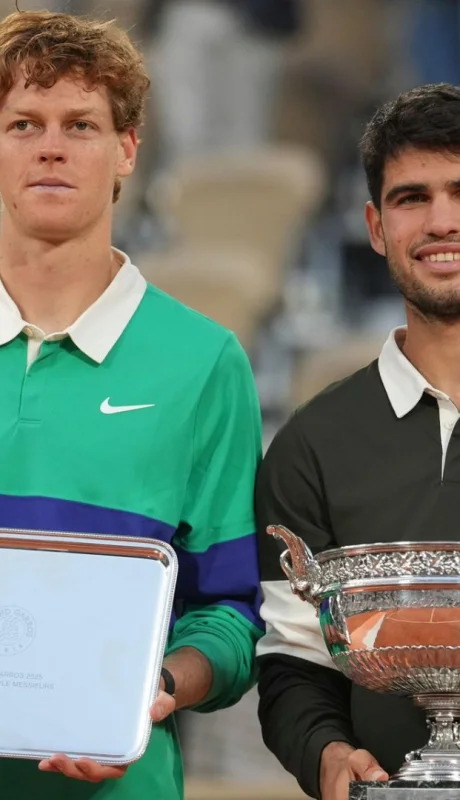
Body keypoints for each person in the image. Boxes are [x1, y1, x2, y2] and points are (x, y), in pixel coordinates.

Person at [0, 10, 263, 800]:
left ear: (126, 150)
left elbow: (231, 613)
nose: (51, 145)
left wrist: (158, 688)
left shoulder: (205, 362)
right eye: (23, 123)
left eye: (81, 123)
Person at [255, 82, 460, 800]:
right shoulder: (310, 446)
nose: (442, 221)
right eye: (412, 198)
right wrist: (328, 755)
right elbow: (295, 660)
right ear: (376, 226)